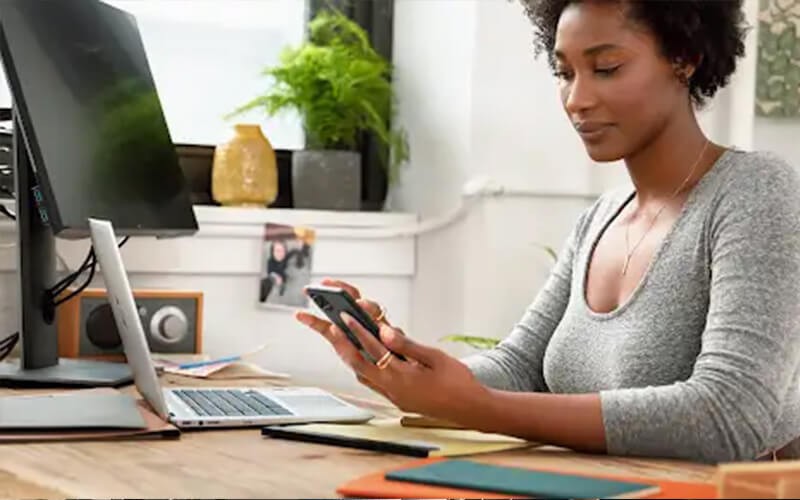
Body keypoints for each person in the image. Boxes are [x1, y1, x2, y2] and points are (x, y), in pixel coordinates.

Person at [296, 0, 800, 464]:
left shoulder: (756, 193)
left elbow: (729, 414)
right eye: (564, 73)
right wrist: (403, 369)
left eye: (607, 68)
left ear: (684, 59)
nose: (576, 99)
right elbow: (520, 367)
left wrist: (479, 407)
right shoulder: (600, 219)